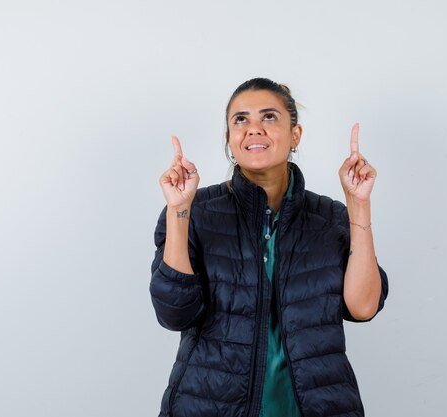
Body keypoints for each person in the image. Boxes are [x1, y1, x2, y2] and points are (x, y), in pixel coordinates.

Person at [150, 78, 389, 417]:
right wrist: (179, 209)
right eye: (241, 120)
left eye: (270, 117)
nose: (254, 129)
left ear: (296, 135)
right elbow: (174, 313)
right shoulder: (197, 211)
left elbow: (363, 307)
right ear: (230, 140)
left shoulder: (330, 217)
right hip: (208, 405)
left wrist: (358, 205)